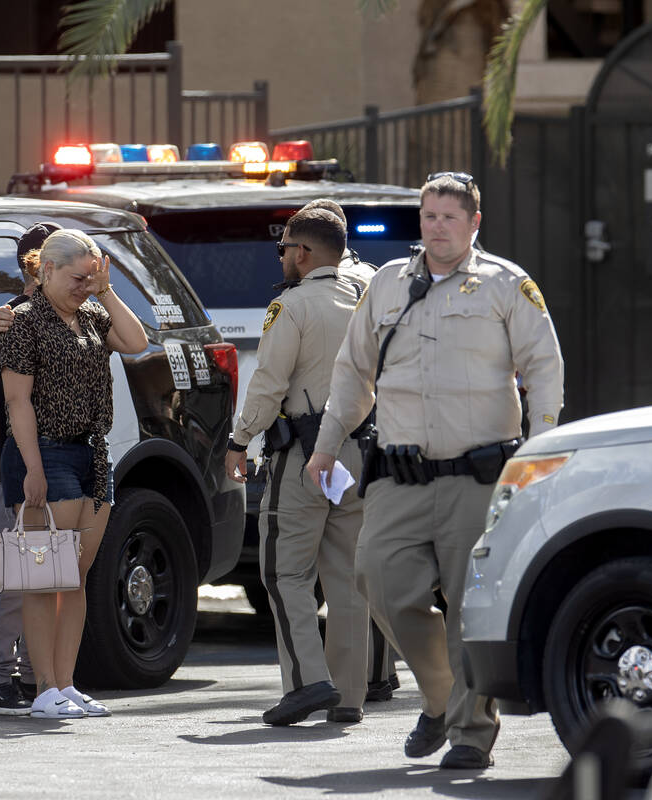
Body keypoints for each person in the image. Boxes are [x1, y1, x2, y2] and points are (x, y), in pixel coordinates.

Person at [306, 172, 563, 769]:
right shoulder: (389, 284)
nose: (438, 226)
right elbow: (352, 373)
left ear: (475, 223)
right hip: (401, 476)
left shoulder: (505, 285)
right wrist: (325, 445)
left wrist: (540, 447)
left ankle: (472, 732)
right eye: (430, 216)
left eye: (451, 216)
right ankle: (444, 695)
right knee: (377, 577)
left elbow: (543, 367)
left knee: (470, 604)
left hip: (480, 476)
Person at [0, 228, 148, 718]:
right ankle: (42, 689)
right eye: (78, 277)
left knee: (75, 575)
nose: (85, 285)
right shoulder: (23, 321)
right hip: (45, 454)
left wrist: (106, 289)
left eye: (91, 276)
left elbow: (136, 341)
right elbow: (17, 402)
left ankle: (65, 684)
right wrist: (33, 469)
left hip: (90, 453)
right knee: (44, 577)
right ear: (48, 270)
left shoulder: (91, 314)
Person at [224, 207, 372, 725]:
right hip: (357, 452)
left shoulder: (293, 306)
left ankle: (309, 683)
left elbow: (268, 383)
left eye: (284, 248)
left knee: (285, 572)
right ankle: (351, 695)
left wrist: (240, 439)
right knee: (347, 578)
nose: (282, 257)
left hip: (305, 455)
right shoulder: (366, 297)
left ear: (302, 253)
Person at [297, 197, 401, 705]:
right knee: (364, 565)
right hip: (374, 440)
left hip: (314, 444)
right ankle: (374, 678)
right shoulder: (374, 283)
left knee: (311, 571)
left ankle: (327, 685)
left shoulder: (302, 296)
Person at [0, 222, 59, 715]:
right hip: (17, 469)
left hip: (58, 465)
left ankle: (33, 677)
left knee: (45, 575)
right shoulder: (12, 318)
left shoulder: (71, 316)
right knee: (8, 577)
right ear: (39, 266)